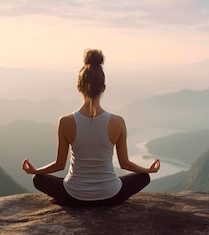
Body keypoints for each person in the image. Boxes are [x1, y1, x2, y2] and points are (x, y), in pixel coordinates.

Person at [22, 49, 160, 207]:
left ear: (79, 88)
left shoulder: (65, 121)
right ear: (103, 88)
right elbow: (125, 164)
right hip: (111, 196)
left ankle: (64, 199)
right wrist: (149, 171)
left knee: (38, 180)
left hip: (74, 195)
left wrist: (35, 171)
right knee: (144, 178)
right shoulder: (118, 122)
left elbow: (59, 164)